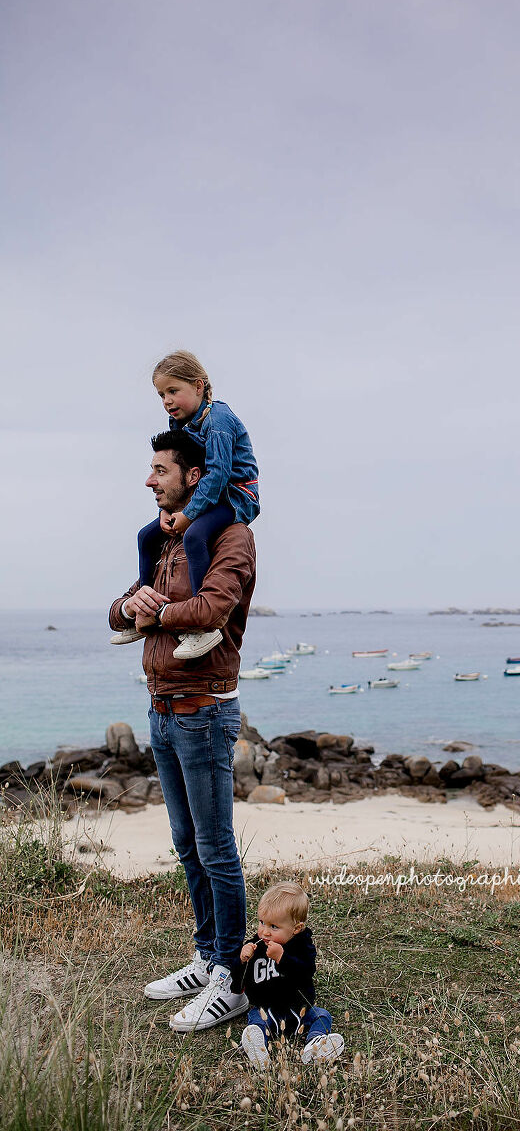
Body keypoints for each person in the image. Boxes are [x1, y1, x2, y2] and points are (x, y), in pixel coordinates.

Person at [108, 429, 257, 1032]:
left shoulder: (231, 537)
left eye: (159, 470)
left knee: (217, 848)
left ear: (193, 475)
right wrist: (133, 611)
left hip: (204, 709)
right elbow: (119, 607)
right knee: (187, 844)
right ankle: (205, 955)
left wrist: (155, 614)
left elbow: (213, 610)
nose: (149, 480)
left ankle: (232, 978)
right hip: (162, 710)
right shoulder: (167, 540)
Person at [111, 349, 259, 660]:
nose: (167, 400)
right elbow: (181, 471)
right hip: (207, 495)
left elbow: (216, 474)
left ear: (200, 385)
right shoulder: (179, 422)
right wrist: (167, 512)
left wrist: (189, 515)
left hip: (235, 495)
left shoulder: (218, 421)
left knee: (193, 536)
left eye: (173, 391)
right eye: (161, 394)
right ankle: (145, 604)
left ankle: (201, 628)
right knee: (146, 536)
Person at [234, 881, 345, 1068]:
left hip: (299, 1009)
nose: (265, 932)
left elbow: (306, 971)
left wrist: (282, 958)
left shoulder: (302, 946)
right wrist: (241, 961)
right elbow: (238, 985)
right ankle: (257, 1045)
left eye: (274, 927)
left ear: (296, 928)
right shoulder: (256, 946)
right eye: (262, 923)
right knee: (255, 1018)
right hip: (268, 1010)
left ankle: (315, 1044)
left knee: (322, 1015)